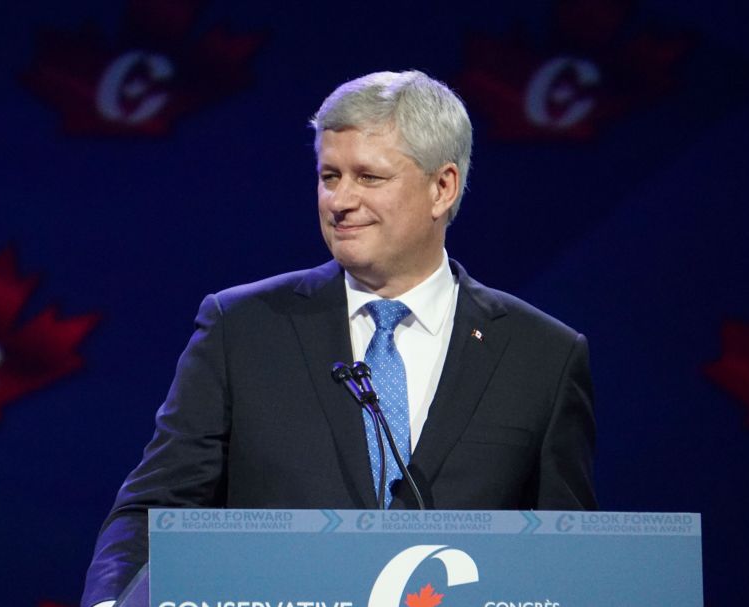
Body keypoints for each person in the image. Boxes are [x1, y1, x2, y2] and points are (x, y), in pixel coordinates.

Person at [80, 70, 596, 607]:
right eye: (330, 176)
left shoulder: (543, 357)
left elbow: (569, 555)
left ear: (443, 187)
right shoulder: (241, 329)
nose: (339, 201)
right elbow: (153, 510)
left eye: (368, 178)